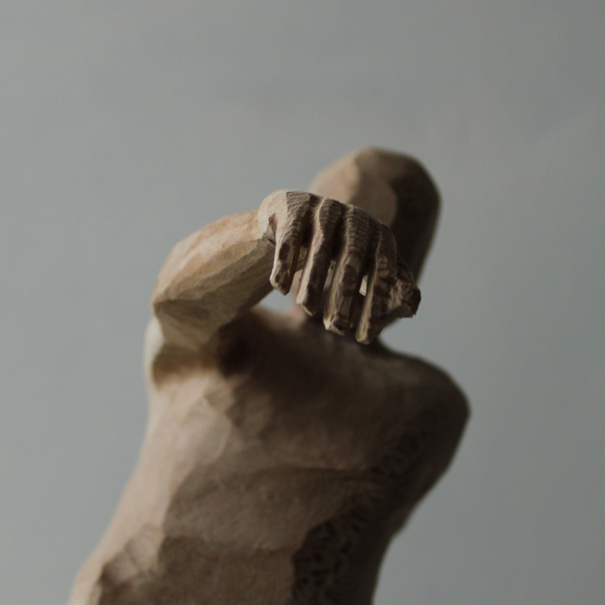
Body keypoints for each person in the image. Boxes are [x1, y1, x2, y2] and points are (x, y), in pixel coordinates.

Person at [69, 148, 468, 605]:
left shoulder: (425, 402)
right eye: (337, 216)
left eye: (397, 230)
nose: (353, 247)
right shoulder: (234, 336)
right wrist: (264, 229)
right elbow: (177, 301)